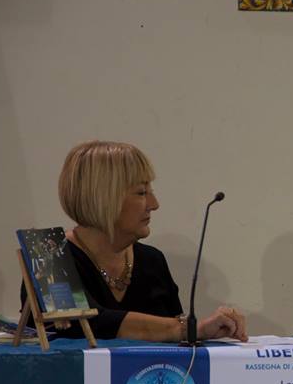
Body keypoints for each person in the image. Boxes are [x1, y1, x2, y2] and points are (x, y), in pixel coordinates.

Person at [21, 140, 246, 341]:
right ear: (104, 198)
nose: (154, 204)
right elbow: (87, 324)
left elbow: (176, 343)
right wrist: (188, 329)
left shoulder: (152, 260)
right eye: (141, 192)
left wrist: (201, 330)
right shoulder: (49, 256)